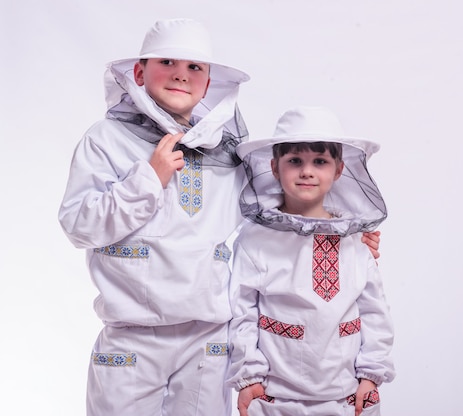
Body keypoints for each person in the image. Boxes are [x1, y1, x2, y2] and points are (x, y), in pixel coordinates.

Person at [58, 19, 380, 416]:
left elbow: (285, 208)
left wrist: (341, 237)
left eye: (195, 67)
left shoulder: (224, 151)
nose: (181, 73)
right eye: (168, 61)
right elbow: (78, 226)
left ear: (209, 83)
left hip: (210, 335)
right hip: (133, 335)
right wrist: (148, 180)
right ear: (139, 72)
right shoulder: (105, 139)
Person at [226, 106, 395, 416]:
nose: (307, 171)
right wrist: (248, 375)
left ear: (339, 170)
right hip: (274, 396)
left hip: (346, 396)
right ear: (275, 168)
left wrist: (371, 375)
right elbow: (241, 310)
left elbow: (375, 310)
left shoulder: (356, 239)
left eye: (320, 161)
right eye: (294, 161)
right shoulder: (255, 239)